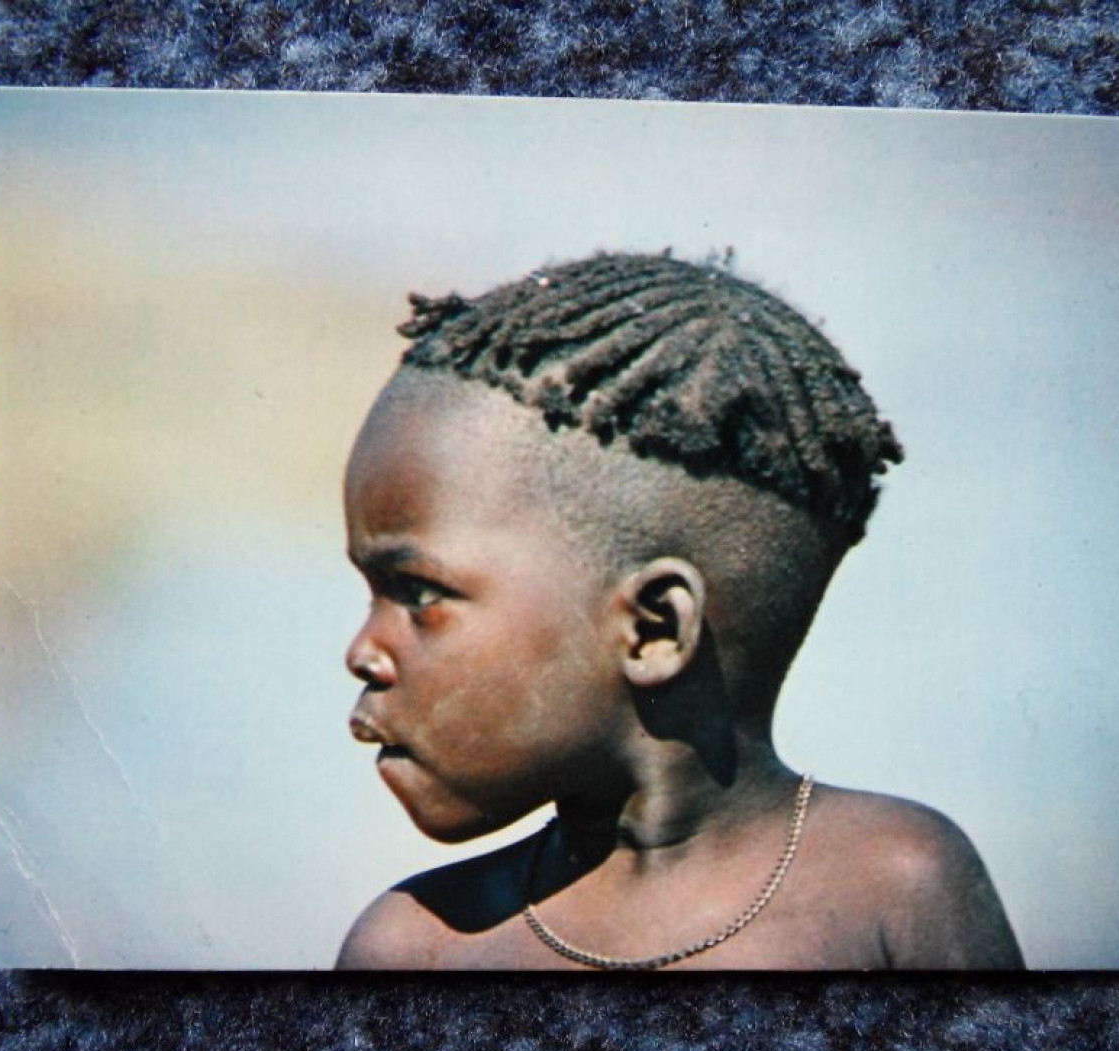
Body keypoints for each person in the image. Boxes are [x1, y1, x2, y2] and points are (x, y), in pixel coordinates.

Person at [337, 252, 1023, 970]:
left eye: (418, 592)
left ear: (655, 628)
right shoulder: (412, 948)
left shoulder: (894, 889)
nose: (362, 650)